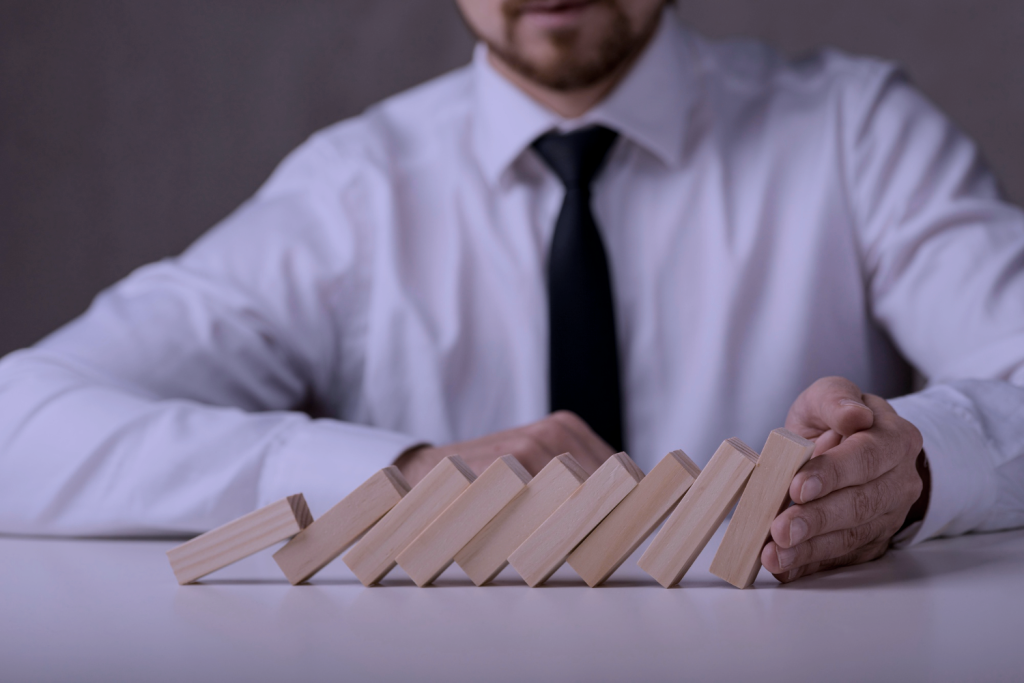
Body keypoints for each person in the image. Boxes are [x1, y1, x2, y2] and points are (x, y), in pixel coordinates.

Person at [1, 0, 1022, 584]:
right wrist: (396, 472)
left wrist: (917, 464)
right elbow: (17, 422)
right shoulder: (352, 191)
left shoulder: (859, 132)